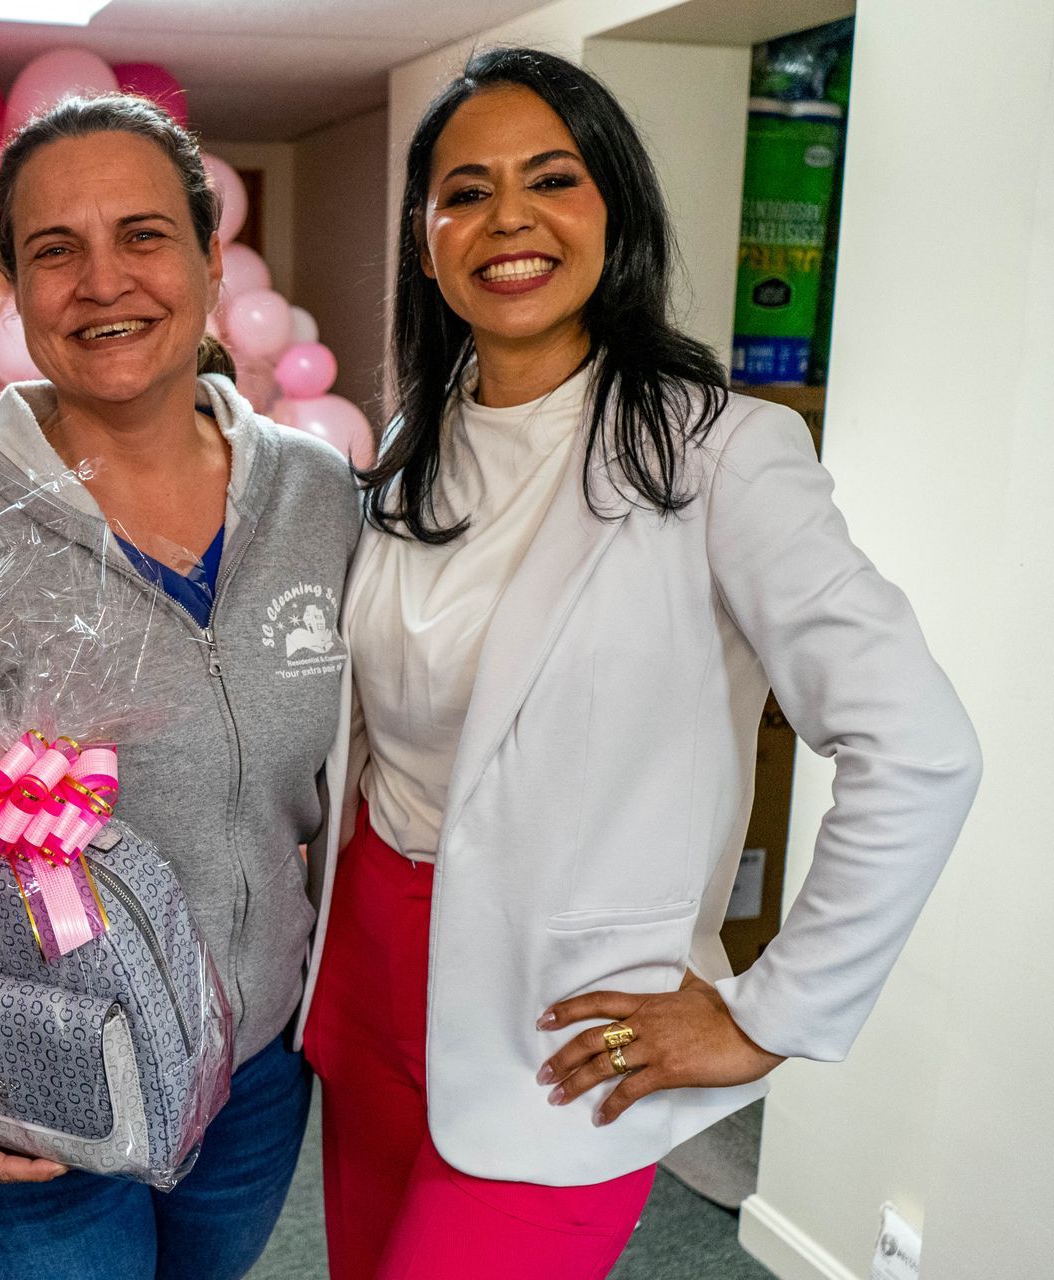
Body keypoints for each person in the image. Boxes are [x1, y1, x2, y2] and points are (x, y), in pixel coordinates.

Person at [301, 46, 981, 1279]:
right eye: (465, 191)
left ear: (614, 208)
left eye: (550, 178)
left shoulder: (724, 454)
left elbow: (919, 745)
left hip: (559, 1017)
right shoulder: (417, 439)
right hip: (371, 968)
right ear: (424, 238)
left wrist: (769, 1014)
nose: (506, 217)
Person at [0, 94, 360, 1280]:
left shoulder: (322, 501)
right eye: (55, 249)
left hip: (250, 1072)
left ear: (208, 259)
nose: (104, 281)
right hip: (10, 1081)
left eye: (144, 236)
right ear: (12, 281)